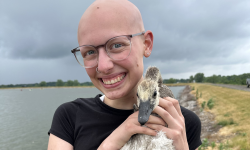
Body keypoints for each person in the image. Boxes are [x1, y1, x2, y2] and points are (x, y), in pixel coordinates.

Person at [47, 0, 202, 150]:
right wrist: (110, 144)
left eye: (117, 45)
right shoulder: (69, 117)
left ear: (146, 44)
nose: (103, 66)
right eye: (90, 52)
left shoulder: (182, 123)